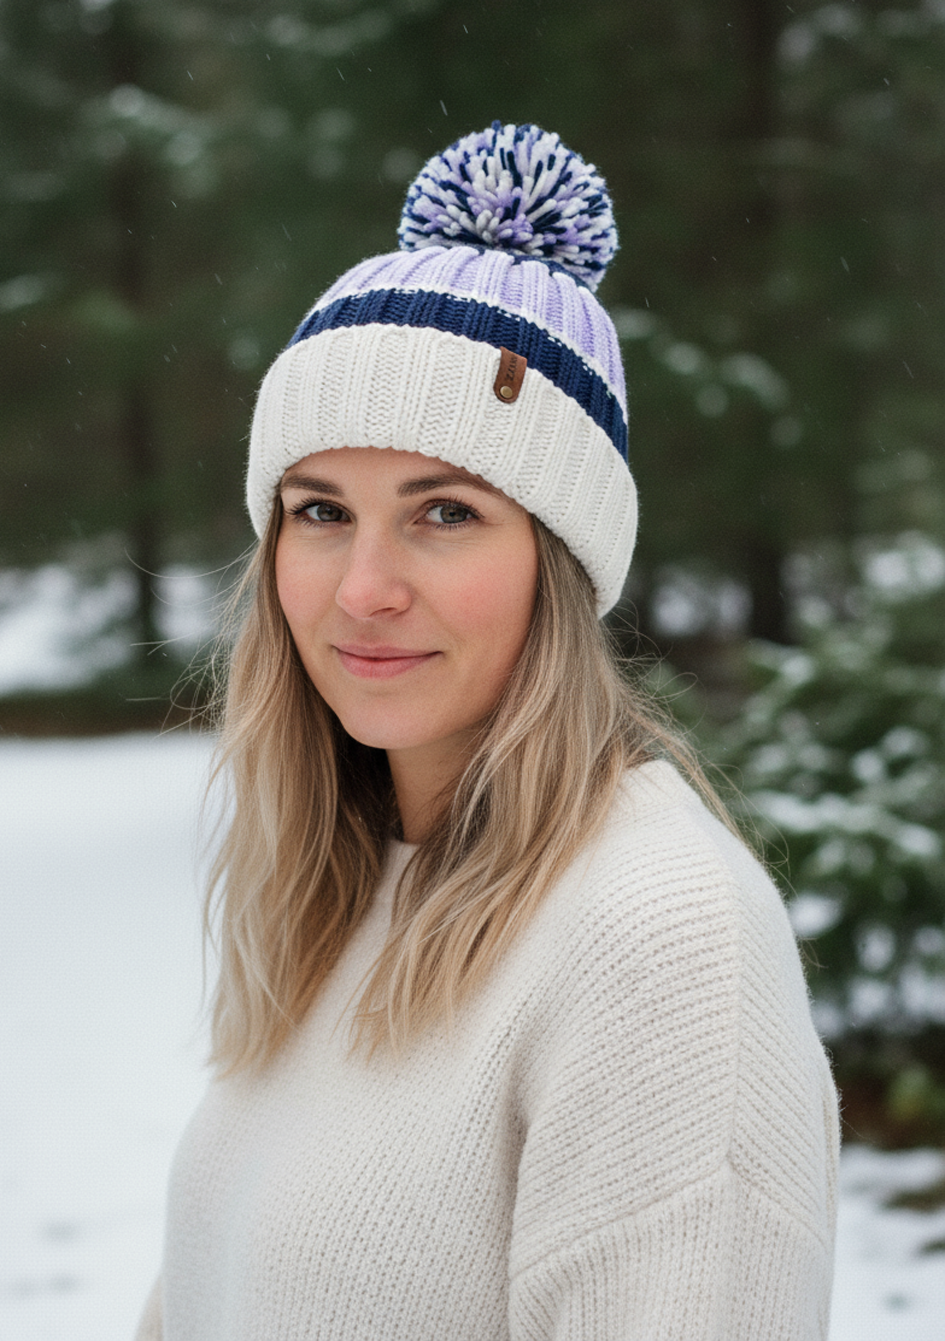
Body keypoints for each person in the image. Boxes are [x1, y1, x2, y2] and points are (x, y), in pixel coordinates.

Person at [136, 122, 838, 1341]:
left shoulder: (658, 941)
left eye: (445, 512)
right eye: (319, 511)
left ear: (557, 566)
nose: (363, 588)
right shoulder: (345, 886)